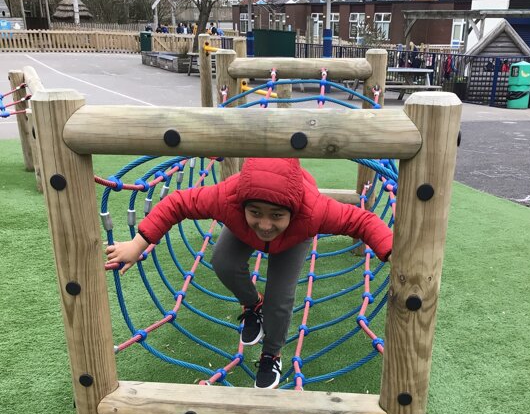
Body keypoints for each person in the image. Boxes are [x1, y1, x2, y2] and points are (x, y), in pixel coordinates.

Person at [106, 158, 393, 389]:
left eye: (276, 215)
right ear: (242, 203)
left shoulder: (314, 210)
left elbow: (363, 221)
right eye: (256, 212)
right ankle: (253, 304)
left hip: (293, 238)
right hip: (241, 228)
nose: (265, 225)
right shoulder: (226, 199)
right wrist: (137, 244)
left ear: (292, 211)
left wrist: (392, 251)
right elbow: (178, 203)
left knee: (280, 299)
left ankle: (271, 354)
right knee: (223, 262)